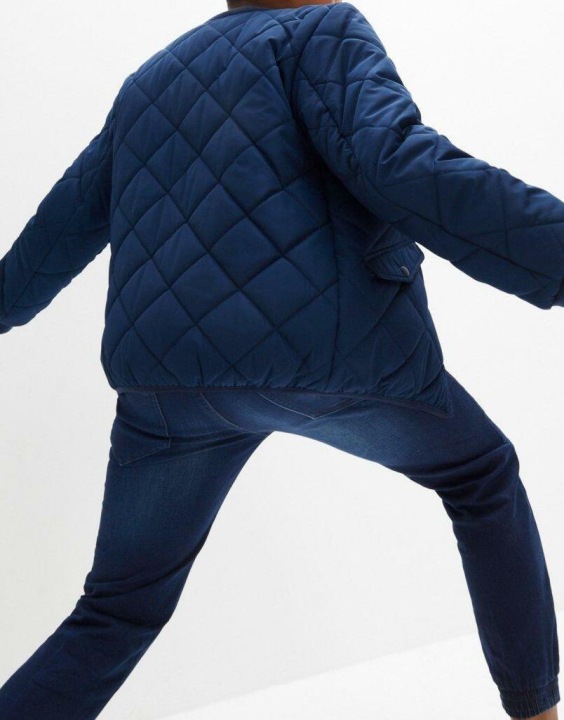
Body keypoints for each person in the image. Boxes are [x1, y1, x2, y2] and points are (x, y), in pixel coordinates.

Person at [0, 0, 561, 717]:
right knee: (480, 474)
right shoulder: (321, 30)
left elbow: (55, 234)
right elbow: (407, 169)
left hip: (165, 385)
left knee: (117, 609)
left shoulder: (148, 82)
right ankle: (537, 711)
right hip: (323, 354)